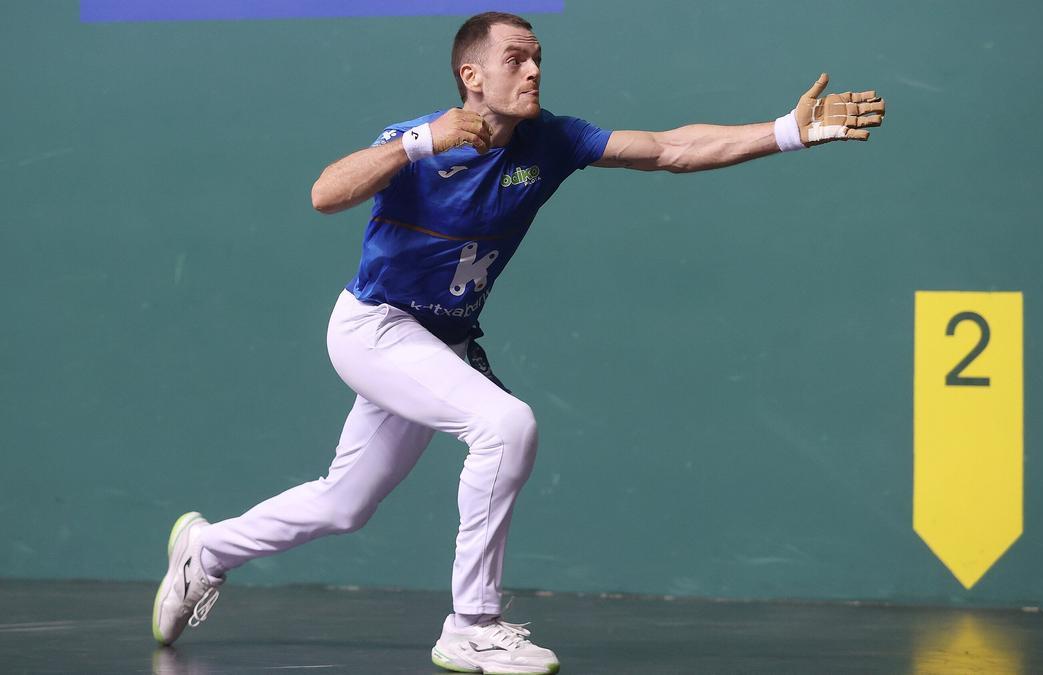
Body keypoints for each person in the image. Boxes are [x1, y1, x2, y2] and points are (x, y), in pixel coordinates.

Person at [150, 11, 885, 674]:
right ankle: (471, 622)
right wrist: (415, 143)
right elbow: (325, 192)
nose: (533, 69)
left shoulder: (551, 140)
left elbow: (667, 148)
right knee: (506, 424)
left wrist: (789, 130)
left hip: (439, 343)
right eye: (516, 59)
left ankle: (206, 550)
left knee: (345, 504)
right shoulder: (422, 141)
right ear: (472, 75)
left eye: (538, 57)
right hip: (374, 328)